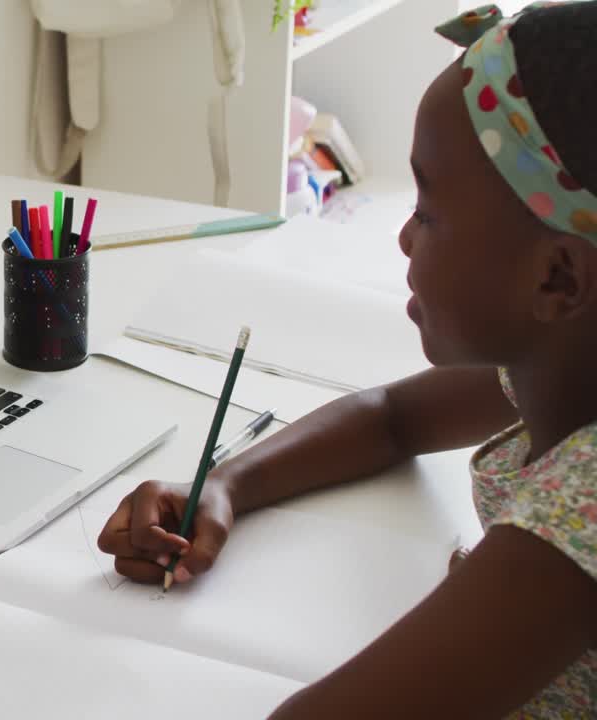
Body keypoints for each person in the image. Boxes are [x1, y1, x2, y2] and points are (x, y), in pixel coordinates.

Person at [97, 3, 597, 716]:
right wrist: (227, 486)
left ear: (558, 279)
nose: (403, 237)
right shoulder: (565, 358)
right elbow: (391, 418)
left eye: (428, 211)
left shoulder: (578, 517)